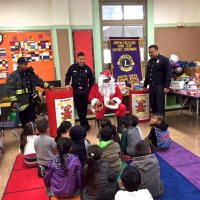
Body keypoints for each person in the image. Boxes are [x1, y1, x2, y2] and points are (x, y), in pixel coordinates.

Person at [6, 57, 54, 128]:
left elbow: (39, 81)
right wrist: (14, 101)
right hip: (21, 104)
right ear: (19, 64)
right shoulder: (13, 76)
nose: (26, 65)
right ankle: (27, 137)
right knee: (25, 124)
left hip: (31, 102)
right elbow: (10, 90)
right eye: (24, 64)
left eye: (26, 64)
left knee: (32, 121)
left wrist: (49, 86)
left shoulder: (30, 73)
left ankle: (32, 136)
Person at [65, 52, 95, 131]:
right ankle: (84, 125)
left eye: (83, 59)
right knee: (79, 108)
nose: (81, 60)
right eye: (80, 59)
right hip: (76, 91)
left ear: (85, 59)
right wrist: (67, 84)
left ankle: (84, 124)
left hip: (85, 91)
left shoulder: (87, 69)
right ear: (77, 59)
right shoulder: (72, 67)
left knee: (84, 108)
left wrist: (90, 89)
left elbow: (92, 79)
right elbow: (67, 77)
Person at [143, 45, 172, 117]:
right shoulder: (150, 61)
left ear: (156, 50)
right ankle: (155, 122)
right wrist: (145, 84)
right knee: (153, 105)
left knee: (160, 106)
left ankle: (161, 123)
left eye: (152, 52)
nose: (150, 54)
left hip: (160, 86)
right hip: (152, 87)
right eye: (149, 53)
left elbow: (168, 74)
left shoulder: (164, 60)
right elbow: (148, 73)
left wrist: (167, 86)